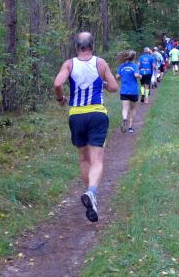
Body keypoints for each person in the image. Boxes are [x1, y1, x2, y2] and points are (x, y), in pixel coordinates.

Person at [53, 32, 118, 223]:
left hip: (77, 115)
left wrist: (60, 98)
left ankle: (90, 196)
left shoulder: (69, 64)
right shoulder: (100, 63)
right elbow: (114, 87)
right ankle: (92, 192)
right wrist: (103, 84)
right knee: (97, 160)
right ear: (92, 46)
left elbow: (57, 83)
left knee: (84, 158)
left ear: (76, 47)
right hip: (97, 113)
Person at [115, 50, 140, 133]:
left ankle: (124, 119)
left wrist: (122, 76)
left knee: (125, 108)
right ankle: (130, 127)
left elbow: (117, 77)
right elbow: (136, 75)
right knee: (133, 109)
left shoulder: (121, 66)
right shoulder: (134, 66)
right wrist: (140, 76)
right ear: (134, 58)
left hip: (124, 91)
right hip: (133, 91)